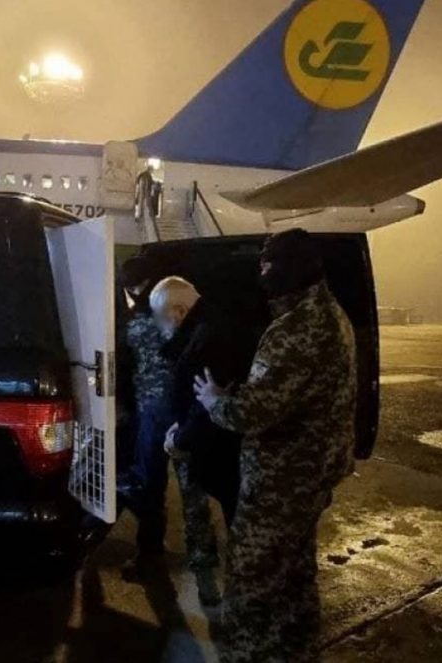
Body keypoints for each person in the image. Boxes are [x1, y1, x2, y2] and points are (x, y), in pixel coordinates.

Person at [193, 229, 358, 663]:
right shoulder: (331, 314)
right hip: (312, 474)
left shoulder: (297, 329)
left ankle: (247, 655)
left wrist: (215, 401)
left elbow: (252, 413)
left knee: (252, 578)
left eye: (268, 264)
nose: (262, 272)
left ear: (290, 268)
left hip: (282, 480)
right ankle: (295, 652)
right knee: (294, 576)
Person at [149, 276, 257, 606]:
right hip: (221, 449)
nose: (160, 327)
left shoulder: (211, 337)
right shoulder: (209, 326)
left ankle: (247, 606)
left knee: (244, 532)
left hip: (227, 453)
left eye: (162, 318)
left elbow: (205, 405)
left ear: (180, 311)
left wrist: (179, 439)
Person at [117, 255, 175, 578]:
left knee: (148, 481)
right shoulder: (171, 313)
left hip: (151, 409)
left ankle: (150, 555)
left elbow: (123, 360)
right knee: (158, 481)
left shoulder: (138, 321)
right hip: (174, 408)